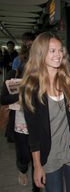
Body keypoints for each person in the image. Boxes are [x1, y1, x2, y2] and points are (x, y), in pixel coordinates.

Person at [19, 32, 70, 192]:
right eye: (52, 50)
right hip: (48, 155)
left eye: (60, 50)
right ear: (40, 53)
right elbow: (33, 132)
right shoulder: (31, 87)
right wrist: (37, 166)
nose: (58, 55)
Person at [0, 45, 40, 191]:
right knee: (24, 157)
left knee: (38, 159)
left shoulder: (41, 76)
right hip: (19, 125)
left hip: (37, 124)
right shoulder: (13, 74)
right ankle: (22, 169)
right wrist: (20, 96)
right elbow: (3, 99)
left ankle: (36, 188)